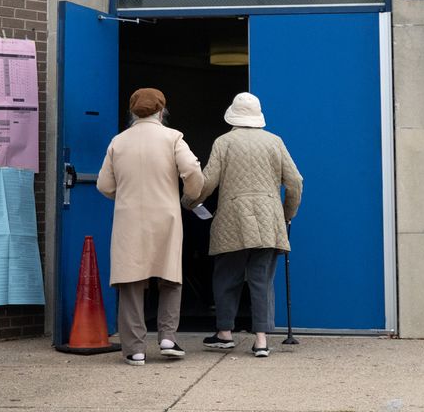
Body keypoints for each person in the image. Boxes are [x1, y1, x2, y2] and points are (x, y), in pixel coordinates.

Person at [185, 91, 302, 357]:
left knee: (227, 276)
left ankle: (224, 333)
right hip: (268, 217)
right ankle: (261, 340)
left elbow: (208, 181)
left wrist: (189, 202)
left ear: (233, 116)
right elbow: (295, 181)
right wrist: (286, 213)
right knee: (262, 279)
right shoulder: (275, 142)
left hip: (232, 218)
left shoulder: (224, 142)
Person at [97, 87, 204, 366]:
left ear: (132, 111)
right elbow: (192, 171)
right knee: (170, 276)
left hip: (129, 218)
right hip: (165, 216)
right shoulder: (172, 138)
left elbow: (104, 185)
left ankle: (135, 349)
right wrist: (189, 195)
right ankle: (168, 337)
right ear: (161, 110)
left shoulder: (118, 142)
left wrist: (123, 195)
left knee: (131, 281)